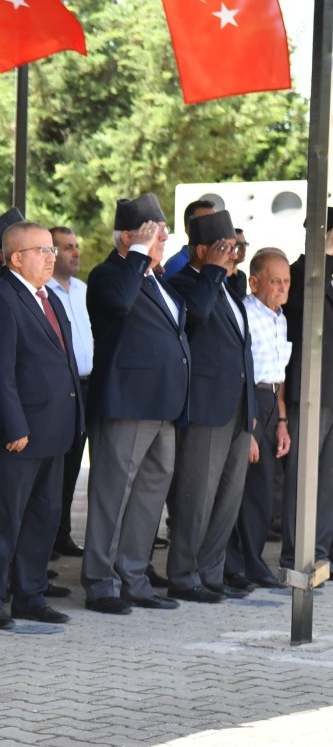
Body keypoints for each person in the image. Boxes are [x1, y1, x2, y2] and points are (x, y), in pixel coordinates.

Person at [81, 193, 189, 614]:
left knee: (149, 494)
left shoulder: (154, 278)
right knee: (112, 495)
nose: (162, 240)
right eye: (154, 233)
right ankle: (100, 583)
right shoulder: (110, 274)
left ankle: (133, 577)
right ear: (128, 237)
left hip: (163, 404)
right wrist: (139, 254)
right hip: (126, 403)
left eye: (162, 233)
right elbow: (120, 303)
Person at [0, 222, 81, 628]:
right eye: (43, 251)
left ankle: (30, 596)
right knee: (2, 520)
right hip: (19, 434)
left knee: (43, 517)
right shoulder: (1, 298)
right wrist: (14, 426)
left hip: (54, 430)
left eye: (52, 250)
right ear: (17, 258)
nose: (52, 258)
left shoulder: (48, 297)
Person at [165, 210, 255, 603]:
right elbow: (195, 317)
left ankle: (211, 571)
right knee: (196, 497)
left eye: (235, 247)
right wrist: (214, 272)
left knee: (228, 497)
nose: (234, 254)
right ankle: (184, 576)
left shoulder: (227, 287)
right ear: (202, 250)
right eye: (225, 248)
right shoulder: (183, 283)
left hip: (237, 407)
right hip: (205, 407)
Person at [226, 248, 291, 588]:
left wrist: (281, 422)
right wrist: (248, 426)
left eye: (286, 281)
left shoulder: (280, 318)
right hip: (248, 402)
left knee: (263, 491)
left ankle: (252, 560)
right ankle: (235, 564)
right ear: (254, 282)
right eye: (275, 281)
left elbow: (279, 374)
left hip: (270, 403)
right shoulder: (245, 314)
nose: (283, 288)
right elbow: (240, 373)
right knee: (241, 489)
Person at [280, 210, 333, 572]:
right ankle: (297, 554)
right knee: (302, 478)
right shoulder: (298, 274)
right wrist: (324, 254)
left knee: (327, 481)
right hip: (310, 392)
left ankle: (321, 552)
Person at [49, 226, 93, 558]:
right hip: (59, 387)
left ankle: (62, 533)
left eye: (76, 246)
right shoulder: (43, 291)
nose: (76, 252)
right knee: (54, 466)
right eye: (67, 247)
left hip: (87, 386)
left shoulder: (83, 290)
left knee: (74, 463)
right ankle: (46, 539)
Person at [162, 198, 215, 278]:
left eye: (214, 222)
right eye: (205, 222)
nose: (212, 227)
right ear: (188, 228)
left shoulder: (216, 261)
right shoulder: (177, 264)